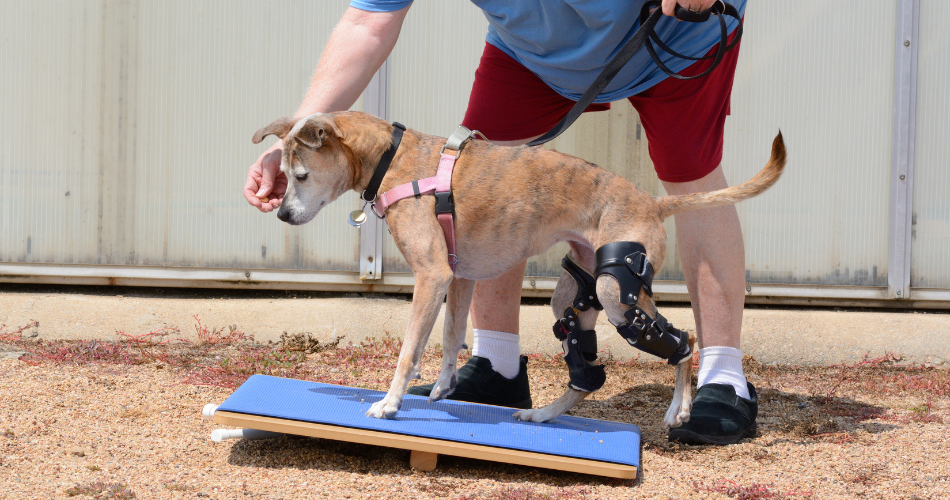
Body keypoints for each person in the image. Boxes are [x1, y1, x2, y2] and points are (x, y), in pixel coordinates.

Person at [244, 0, 756, 445]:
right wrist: (293, 141)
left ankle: (722, 375)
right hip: (533, 52)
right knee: (474, 177)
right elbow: (366, 23)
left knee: (692, 177)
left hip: (672, 32)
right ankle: (497, 364)